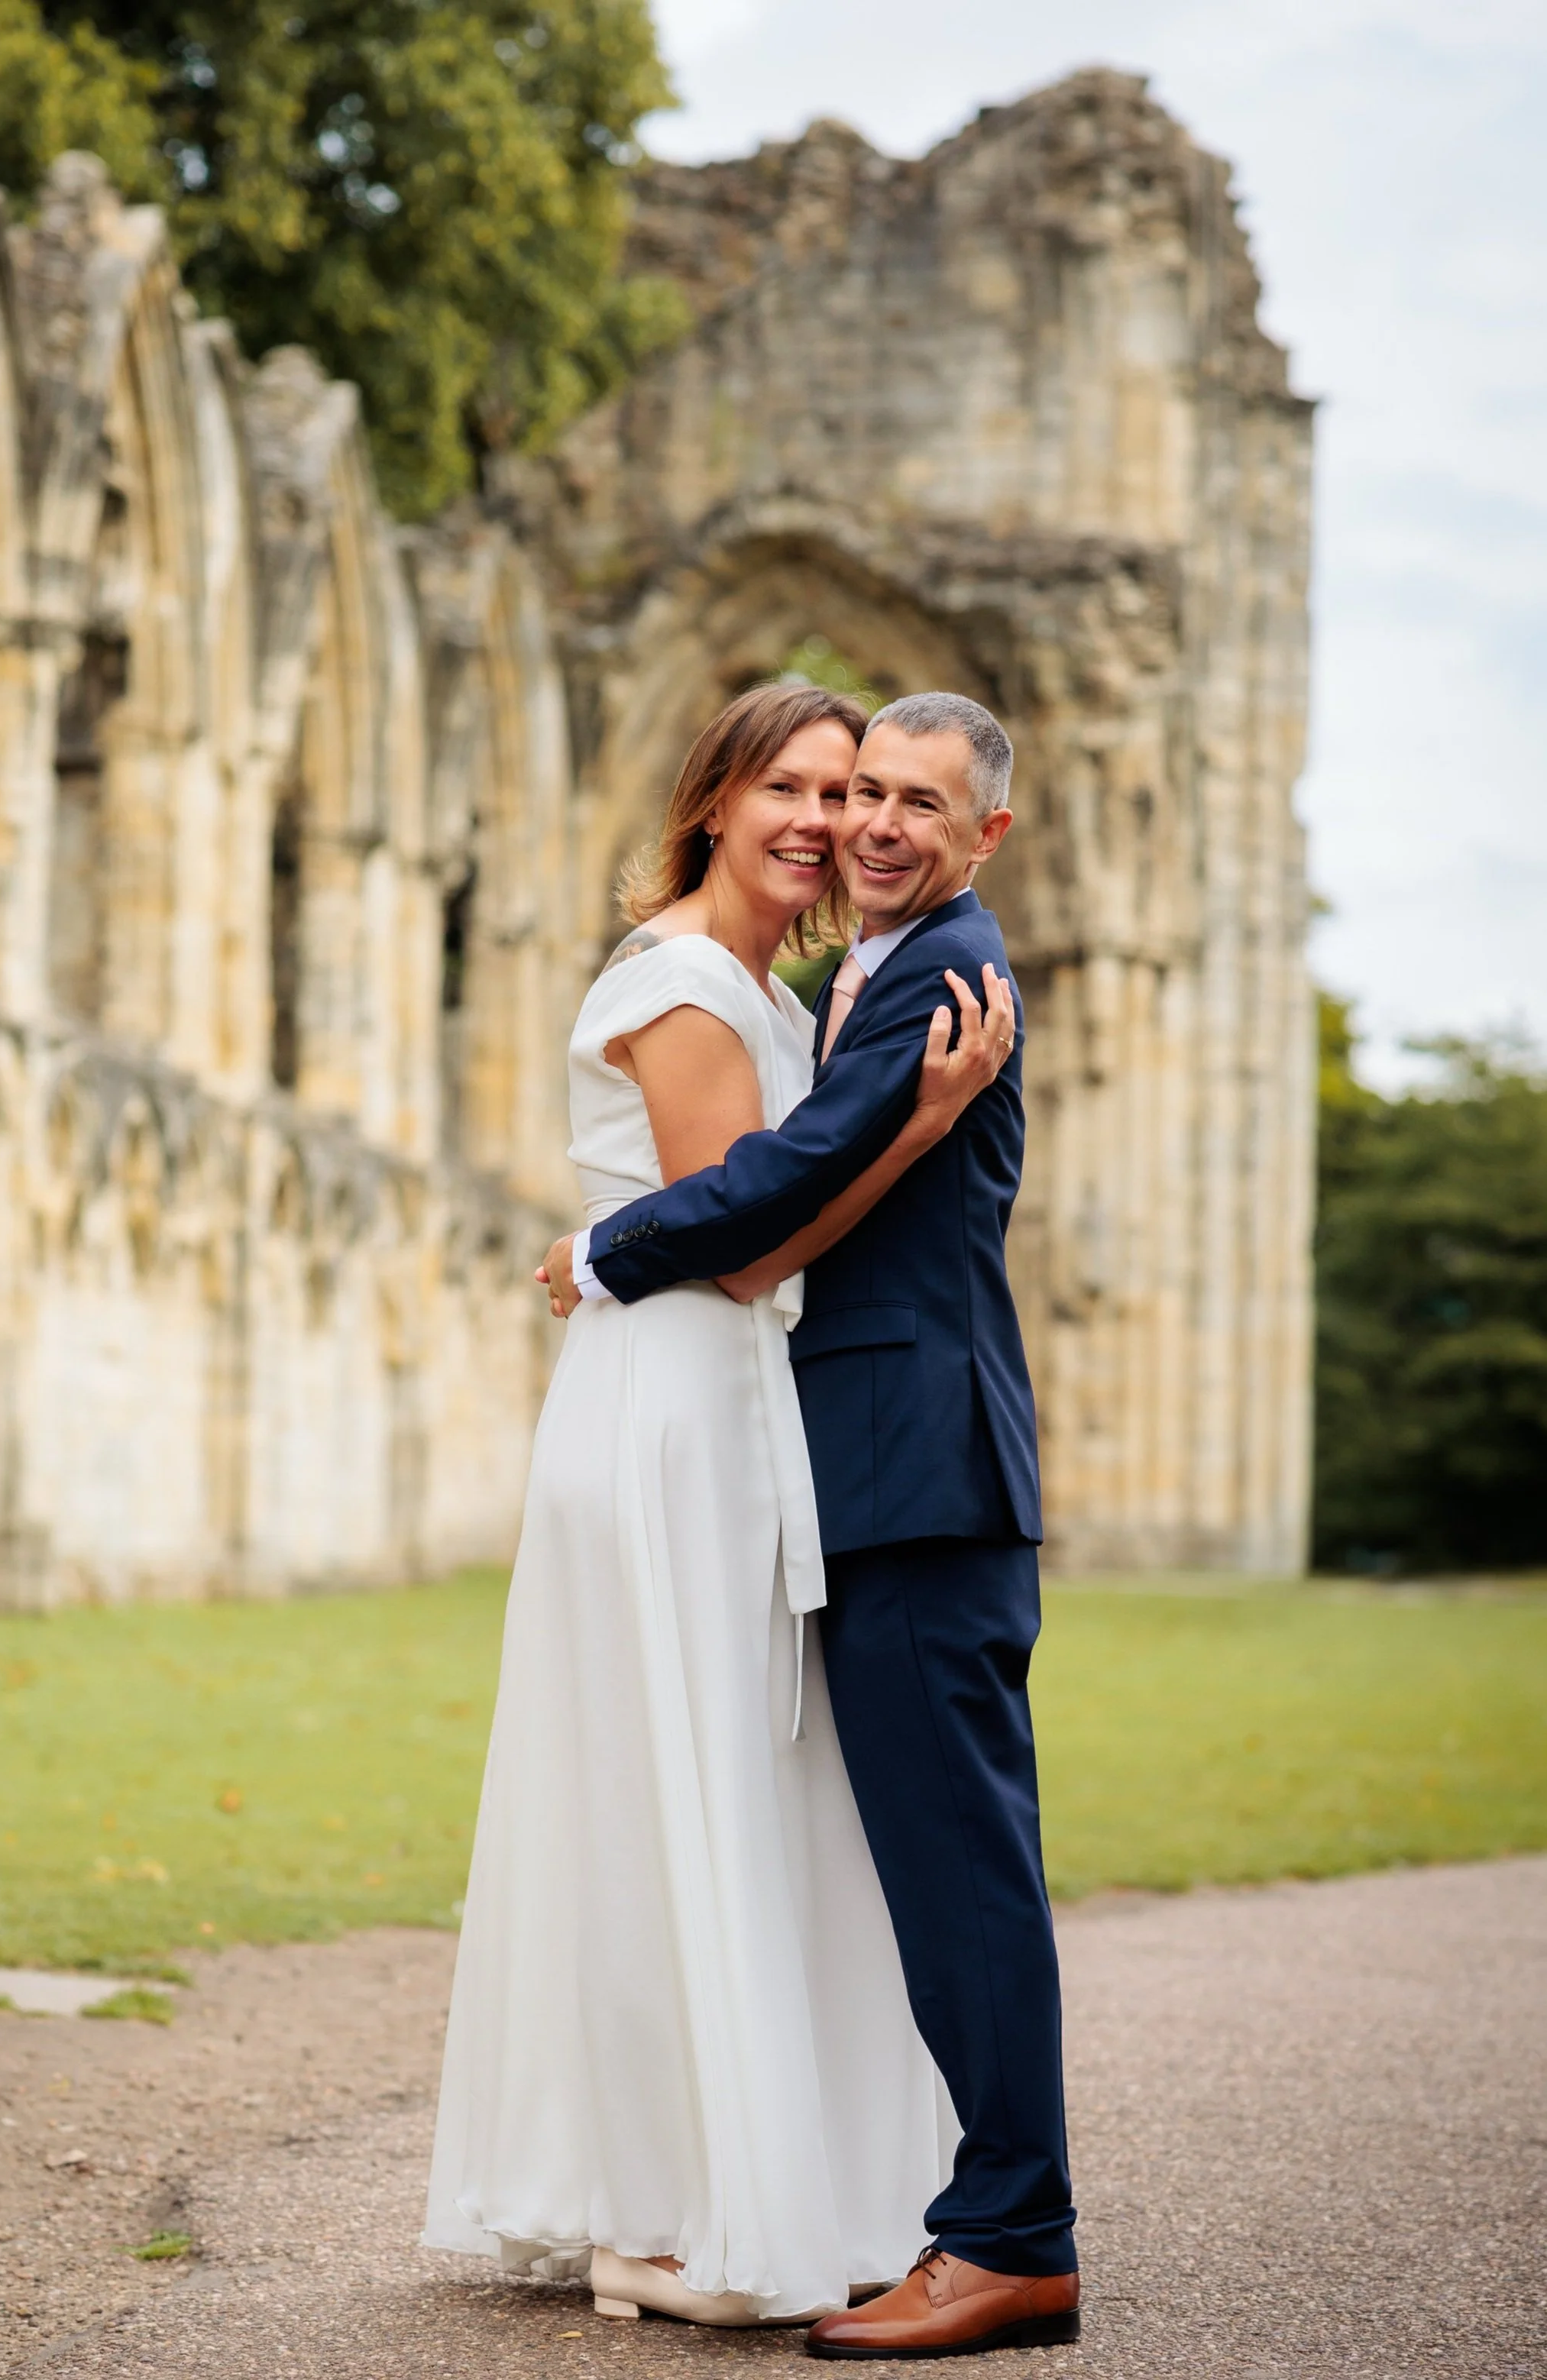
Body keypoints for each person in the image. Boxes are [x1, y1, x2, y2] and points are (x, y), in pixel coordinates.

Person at [422, 683, 1014, 2327]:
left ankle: (698, 2178)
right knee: (670, 1772)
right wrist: (923, 1119)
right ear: (715, 799)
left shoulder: (779, 984)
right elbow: (744, 1240)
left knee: (730, 1780)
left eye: (851, 793)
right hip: (673, 1402)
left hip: (734, 1398)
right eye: (794, 788)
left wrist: (895, 1110)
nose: (825, 821)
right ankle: (652, 2208)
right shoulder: (682, 978)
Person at [550, 690, 1080, 2360]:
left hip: (914, 1474)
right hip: (878, 1468)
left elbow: (802, 1172)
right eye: (858, 792)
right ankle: (979, 2221)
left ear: (984, 831)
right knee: (935, 1860)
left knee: (961, 1868)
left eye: (915, 799)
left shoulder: (932, 964)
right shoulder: (862, 965)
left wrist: (601, 1253)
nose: (871, 822)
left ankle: (1007, 2239)